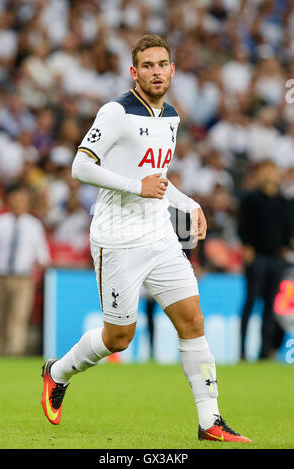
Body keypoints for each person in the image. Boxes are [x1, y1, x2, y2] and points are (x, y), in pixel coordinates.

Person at [41, 34, 251, 443]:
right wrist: (137, 187)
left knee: (192, 319)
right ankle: (57, 372)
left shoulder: (170, 116)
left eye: (163, 64)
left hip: (159, 235)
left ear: (172, 70)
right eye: (148, 66)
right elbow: (80, 167)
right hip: (117, 238)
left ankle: (210, 421)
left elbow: (158, 179)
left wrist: (187, 202)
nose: (156, 72)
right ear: (134, 72)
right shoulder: (116, 112)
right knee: (119, 337)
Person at [238, 160, 291, 360]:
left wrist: (285, 247)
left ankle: (264, 352)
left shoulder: (284, 201)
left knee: (271, 306)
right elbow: (243, 225)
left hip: (276, 258)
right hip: (257, 256)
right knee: (250, 302)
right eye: (266, 171)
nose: (269, 175)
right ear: (260, 175)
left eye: (272, 171)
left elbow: (288, 228)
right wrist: (247, 246)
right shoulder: (251, 199)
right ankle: (242, 351)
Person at [0, 182, 50, 355]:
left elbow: (43, 256)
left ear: (27, 202)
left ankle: (14, 353)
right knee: (0, 318)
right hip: (1, 277)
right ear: (9, 201)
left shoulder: (34, 226)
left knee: (18, 317)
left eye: (22, 200)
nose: (19, 203)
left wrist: (38, 274)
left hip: (24, 279)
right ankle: (0, 354)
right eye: (15, 199)